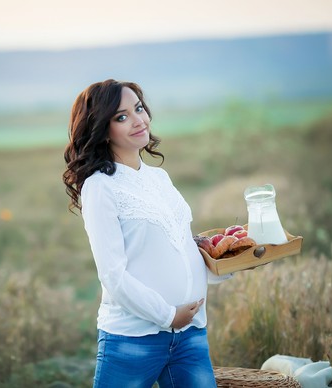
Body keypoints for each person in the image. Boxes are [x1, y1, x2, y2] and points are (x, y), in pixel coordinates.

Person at [62, 79, 231, 387]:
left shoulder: (159, 177)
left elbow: (178, 246)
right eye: (121, 116)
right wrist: (167, 316)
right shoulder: (100, 186)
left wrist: (226, 260)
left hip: (190, 334)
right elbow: (112, 275)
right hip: (133, 339)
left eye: (138, 108)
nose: (138, 120)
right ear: (102, 128)